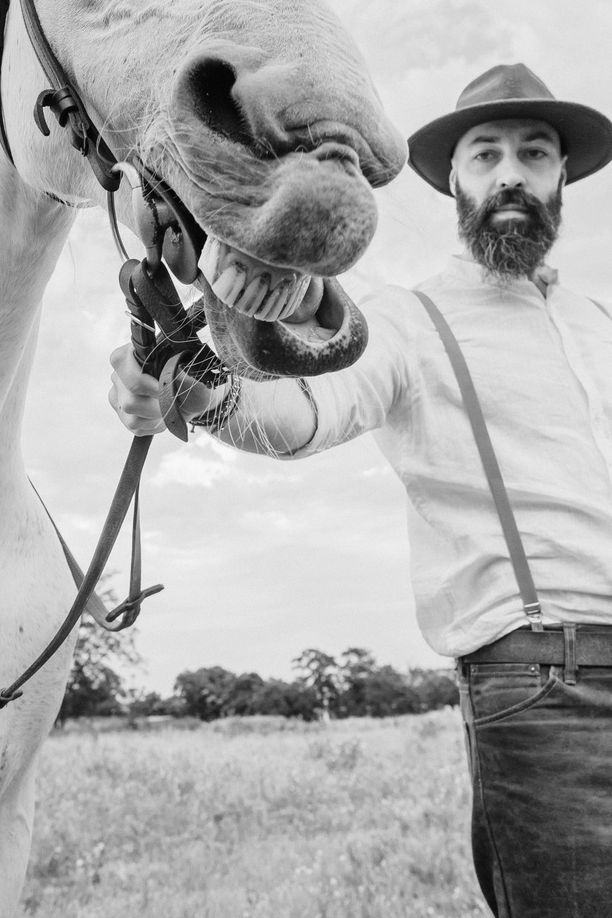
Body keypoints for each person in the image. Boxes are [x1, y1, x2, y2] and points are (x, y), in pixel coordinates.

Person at [109, 62, 612, 918]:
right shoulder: (410, 321)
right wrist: (199, 385)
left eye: (535, 154)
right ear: (453, 180)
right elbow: (305, 406)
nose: (511, 175)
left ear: (562, 176)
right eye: (486, 155)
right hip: (542, 682)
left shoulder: (599, 322)